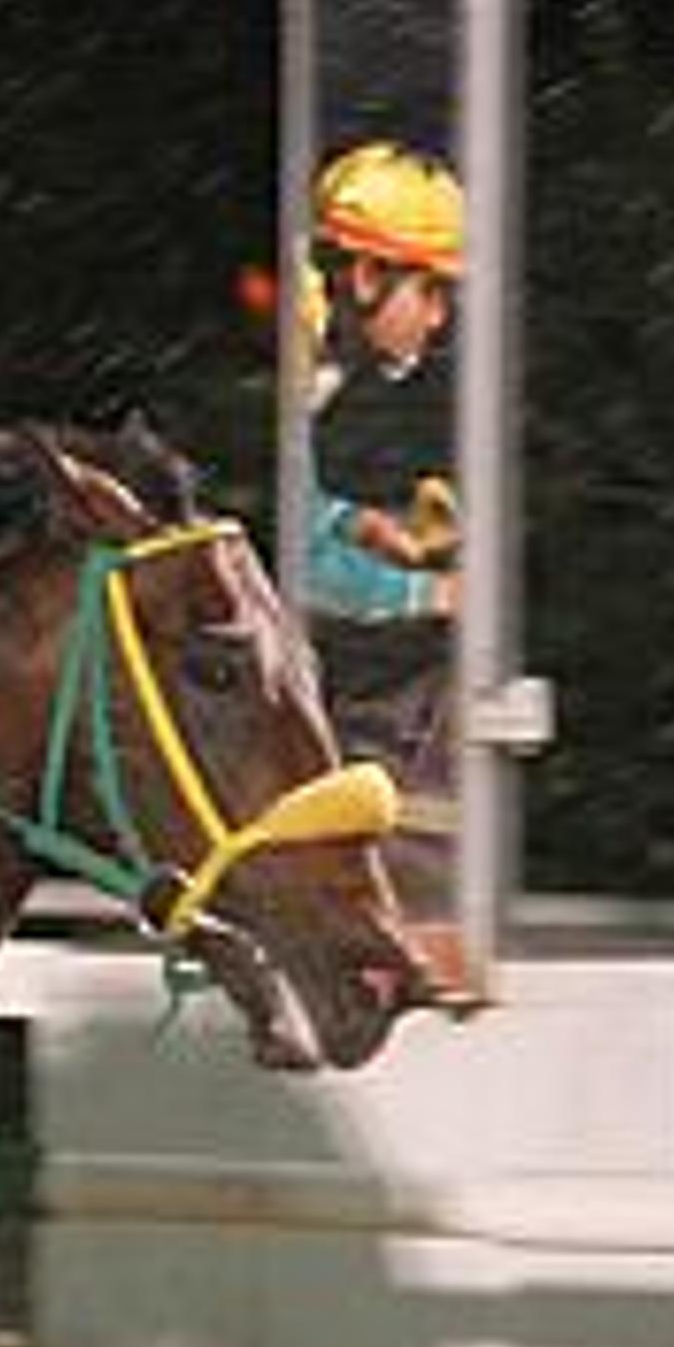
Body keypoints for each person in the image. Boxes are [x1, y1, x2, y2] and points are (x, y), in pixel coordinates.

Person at [299, 138, 473, 999]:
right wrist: (431, 591)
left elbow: (298, 514)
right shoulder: (304, 362)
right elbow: (298, 566)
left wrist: (361, 524)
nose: (438, 318)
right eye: (428, 289)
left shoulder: (324, 360)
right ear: (364, 276)